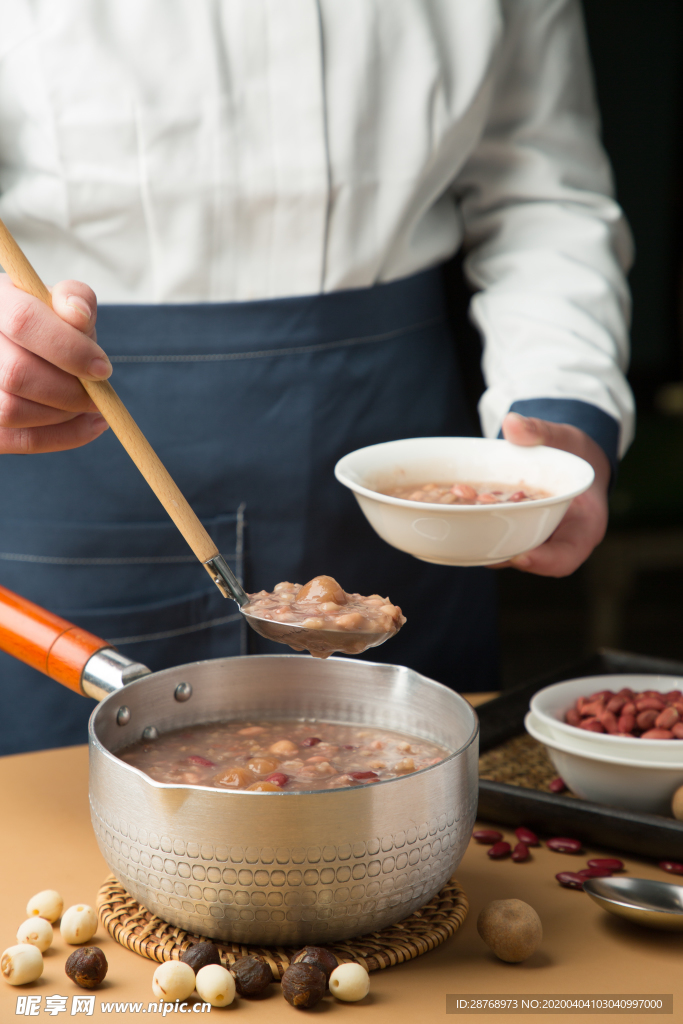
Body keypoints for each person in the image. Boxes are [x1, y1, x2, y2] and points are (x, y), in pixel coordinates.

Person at [0, 0, 633, 755]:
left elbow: (542, 190)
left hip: (391, 441)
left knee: (418, 798)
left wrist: (561, 406)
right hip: (69, 424)